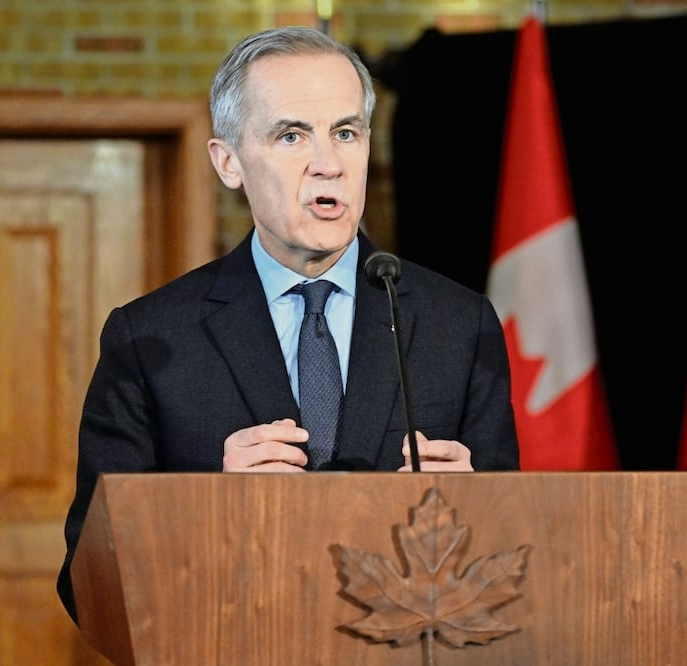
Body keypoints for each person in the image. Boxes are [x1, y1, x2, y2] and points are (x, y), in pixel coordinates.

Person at [56, 24, 520, 624]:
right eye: (292, 135)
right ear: (229, 163)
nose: (327, 164)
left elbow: (515, 558)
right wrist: (207, 513)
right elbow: (88, 586)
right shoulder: (150, 341)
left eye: (346, 133)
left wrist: (475, 509)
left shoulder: (459, 326)